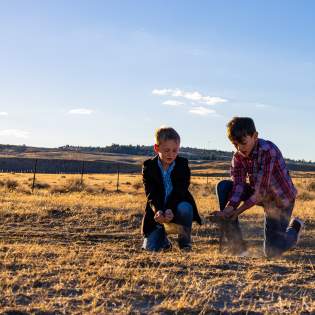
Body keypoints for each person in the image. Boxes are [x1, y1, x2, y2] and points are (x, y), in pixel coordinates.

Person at [213, 117, 304, 257]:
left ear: (255, 136)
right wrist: (229, 209)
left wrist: (238, 211)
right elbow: (238, 186)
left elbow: (261, 192)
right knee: (224, 186)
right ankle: (237, 247)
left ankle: (294, 228)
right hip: (260, 194)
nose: (239, 148)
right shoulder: (238, 157)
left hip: (280, 201)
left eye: (242, 143)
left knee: (272, 252)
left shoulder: (268, 151)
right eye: (235, 144)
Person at [141, 126, 202, 251]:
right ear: (157, 148)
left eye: (175, 150)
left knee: (185, 207)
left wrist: (170, 209)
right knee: (151, 249)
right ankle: (164, 242)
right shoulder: (149, 167)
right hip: (157, 214)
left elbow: (180, 191)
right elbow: (151, 194)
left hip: (176, 208)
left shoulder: (182, 165)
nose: (171, 154)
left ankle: (184, 244)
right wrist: (158, 210)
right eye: (167, 150)